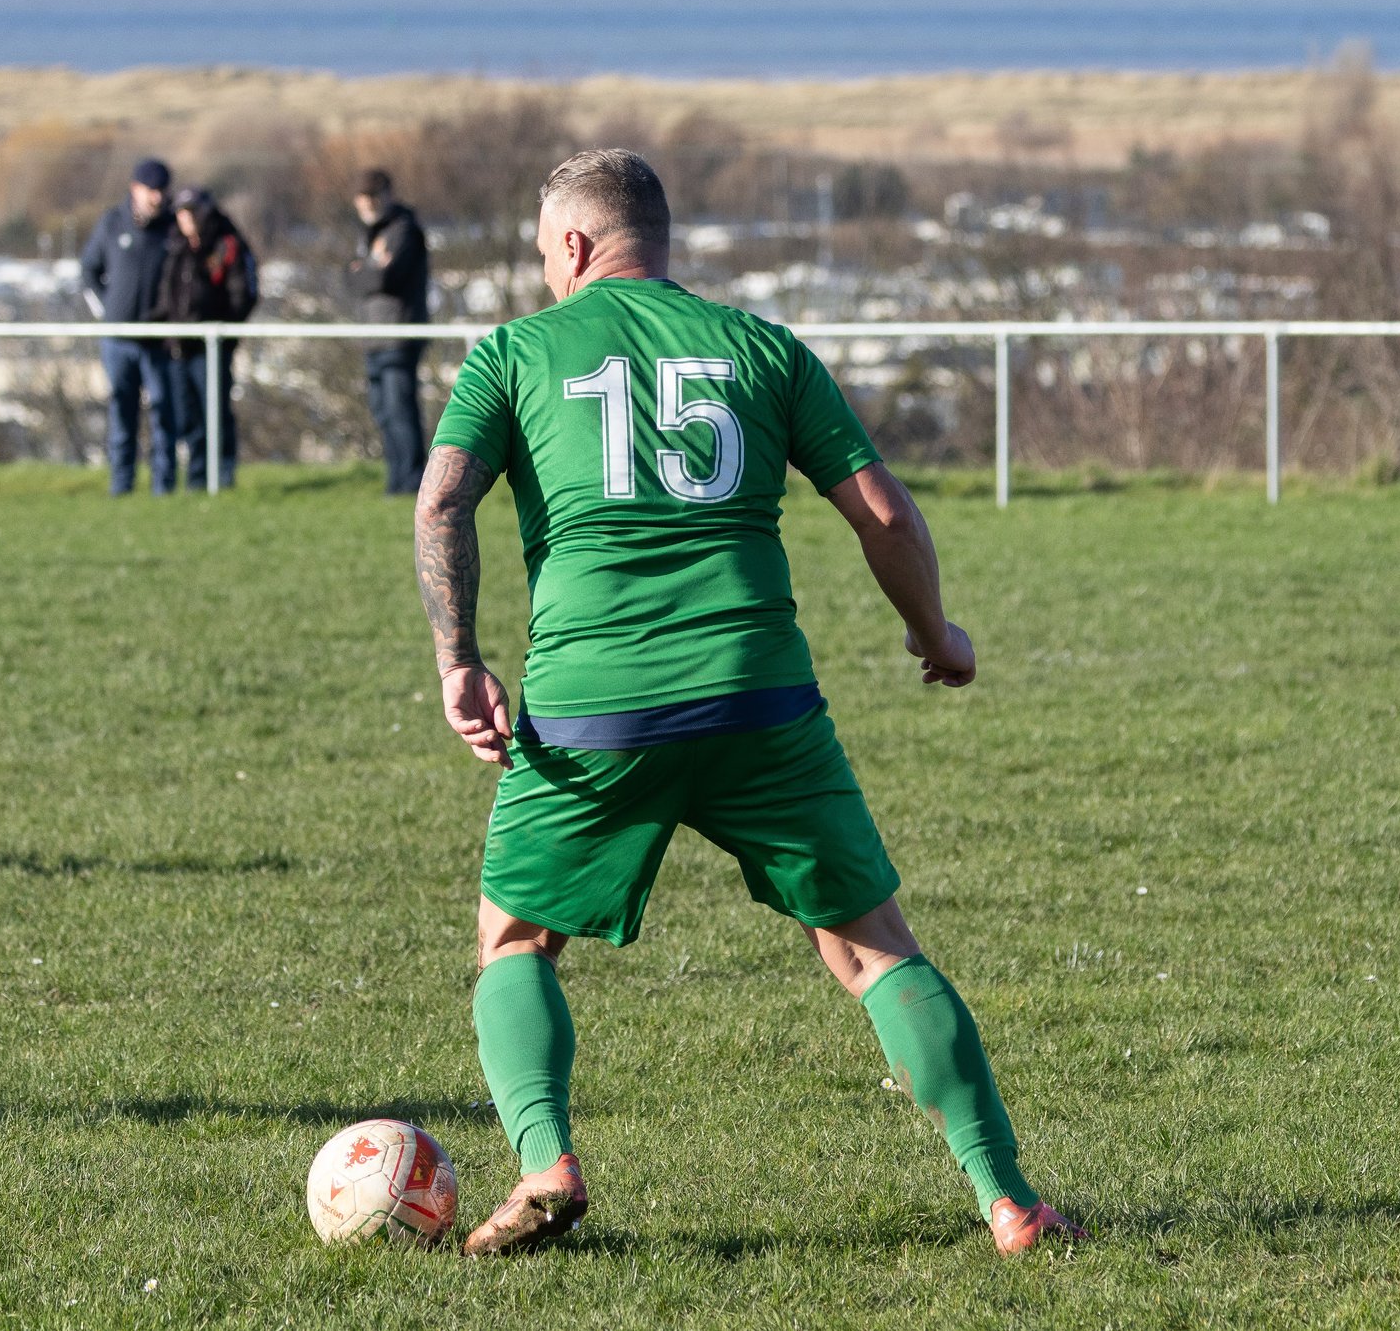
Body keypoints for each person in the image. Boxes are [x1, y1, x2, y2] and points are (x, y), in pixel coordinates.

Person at [412, 148, 1080, 1257]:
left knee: (515, 939)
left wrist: (459, 658)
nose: (541, 272)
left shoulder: (516, 353)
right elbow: (881, 512)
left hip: (592, 705)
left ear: (574, 246)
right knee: (871, 948)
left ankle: (545, 1162)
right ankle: (1008, 1199)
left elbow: (442, 501)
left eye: (542, 252)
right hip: (757, 693)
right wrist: (936, 636)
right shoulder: (764, 349)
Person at [79, 158, 179, 496]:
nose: (157, 198)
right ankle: (121, 487)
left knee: (164, 413)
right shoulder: (111, 223)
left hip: (158, 341)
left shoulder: (172, 228)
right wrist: (107, 310)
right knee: (122, 414)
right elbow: (89, 270)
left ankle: (163, 487)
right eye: (152, 190)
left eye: (162, 191)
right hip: (117, 341)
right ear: (135, 189)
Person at [153, 187, 260, 491]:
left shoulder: (227, 244)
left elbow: (244, 293)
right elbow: (167, 293)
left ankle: (223, 477)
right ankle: (197, 479)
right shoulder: (175, 245)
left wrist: (221, 329)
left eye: (191, 211)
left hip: (212, 347)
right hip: (179, 346)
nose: (186, 218)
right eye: (181, 212)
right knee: (189, 417)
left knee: (216, 412)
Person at [346, 169, 430, 495]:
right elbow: (349, 279)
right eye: (362, 198)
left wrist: (365, 271)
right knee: (383, 411)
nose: (367, 205)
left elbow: (385, 279)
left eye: (372, 197)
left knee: (399, 410)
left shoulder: (403, 230)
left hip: (398, 334)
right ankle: (397, 481)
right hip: (374, 336)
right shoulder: (368, 235)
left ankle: (411, 482)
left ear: (387, 196)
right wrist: (369, 269)